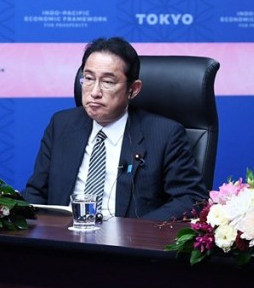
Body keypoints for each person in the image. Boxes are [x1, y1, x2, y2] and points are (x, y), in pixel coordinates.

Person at [23, 37, 207, 221]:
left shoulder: (164, 134)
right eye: (88, 78)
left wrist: (137, 232)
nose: (94, 91)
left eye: (108, 82)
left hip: (127, 244)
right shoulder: (61, 124)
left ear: (133, 89)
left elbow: (190, 198)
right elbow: (36, 192)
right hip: (64, 239)